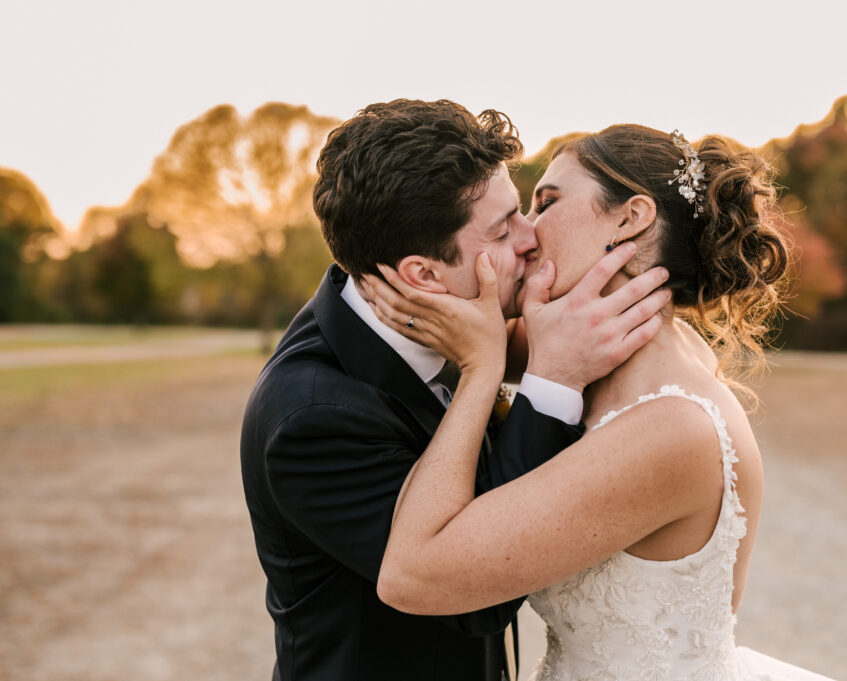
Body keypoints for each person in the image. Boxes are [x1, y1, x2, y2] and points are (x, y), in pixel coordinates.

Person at [364, 124, 837, 680]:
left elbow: (411, 576)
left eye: (547, 203)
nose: (527, 232)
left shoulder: (670, 430)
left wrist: (482, 371)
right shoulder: (614, 343)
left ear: (630, 218)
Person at [239, 101, 670, 681]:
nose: (530, 239)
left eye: (522, 211)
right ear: (420, 276)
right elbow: (477, 596)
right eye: (502, 230)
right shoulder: (313, 419)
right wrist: (544, 379)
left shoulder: (398, 311)